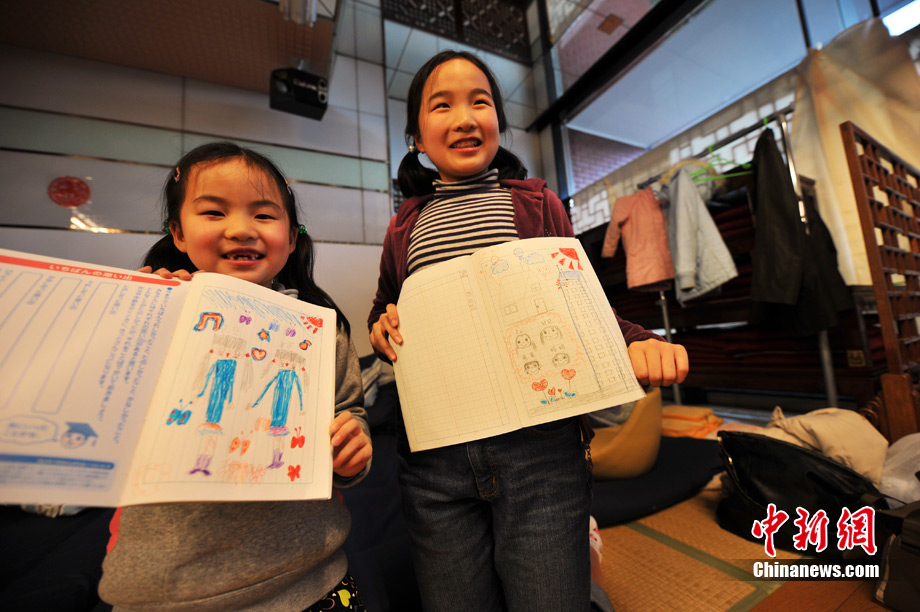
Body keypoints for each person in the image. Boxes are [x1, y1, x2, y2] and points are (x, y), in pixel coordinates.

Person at [368, 50, 688, 612]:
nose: (465, 117)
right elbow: (385, 311)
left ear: (498, 124)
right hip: (434, 459)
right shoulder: (404, 224)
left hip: (540, 450)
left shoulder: (537, 203)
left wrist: (643, 342)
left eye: (481, 102)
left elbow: (582, 302)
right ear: (416, 136)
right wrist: (381, 327)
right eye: (442, 105)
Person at [98, 142, 373, 612]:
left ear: (290, 238)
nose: (242, 229)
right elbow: (105, 412)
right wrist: (143, 315)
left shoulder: (322, 328)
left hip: (314, 577)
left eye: (264, 216)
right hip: (170, 591)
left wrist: (353, 447)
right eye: (213, 212)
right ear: (178, 233)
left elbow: (348, 412)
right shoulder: (152, 312)